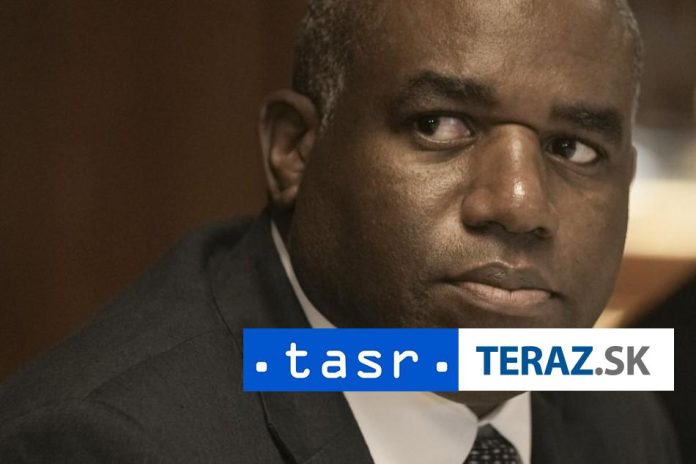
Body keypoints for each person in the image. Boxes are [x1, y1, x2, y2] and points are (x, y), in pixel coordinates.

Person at [0, 0, 682, 462]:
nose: (519, 203)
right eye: (440, 125)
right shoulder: (110, 443)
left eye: (572, 149)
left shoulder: (614, 409)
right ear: (294, 150)